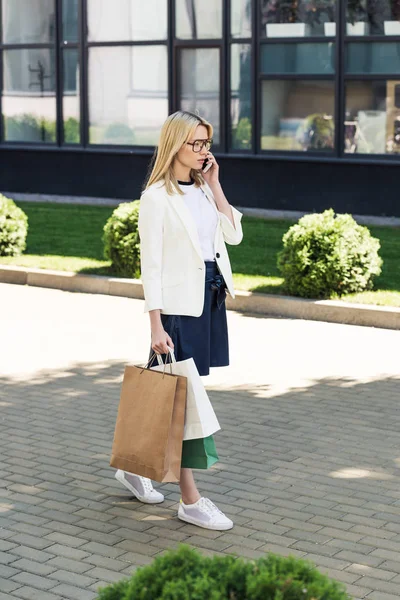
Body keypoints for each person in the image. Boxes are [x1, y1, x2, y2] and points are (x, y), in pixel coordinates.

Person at [115, 110, 243, 531]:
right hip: (175, 308)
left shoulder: (204, 190)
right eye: (197, 144)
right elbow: (150, 267)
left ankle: (134, 466)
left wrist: (216, 184)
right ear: (176, 145)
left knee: (167, 390)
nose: (204, 151)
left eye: (207, 143)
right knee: (184, 400)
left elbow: (233, 235)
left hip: (208, 299)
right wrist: (154, 325)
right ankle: (190, 499)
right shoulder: (156, 198)